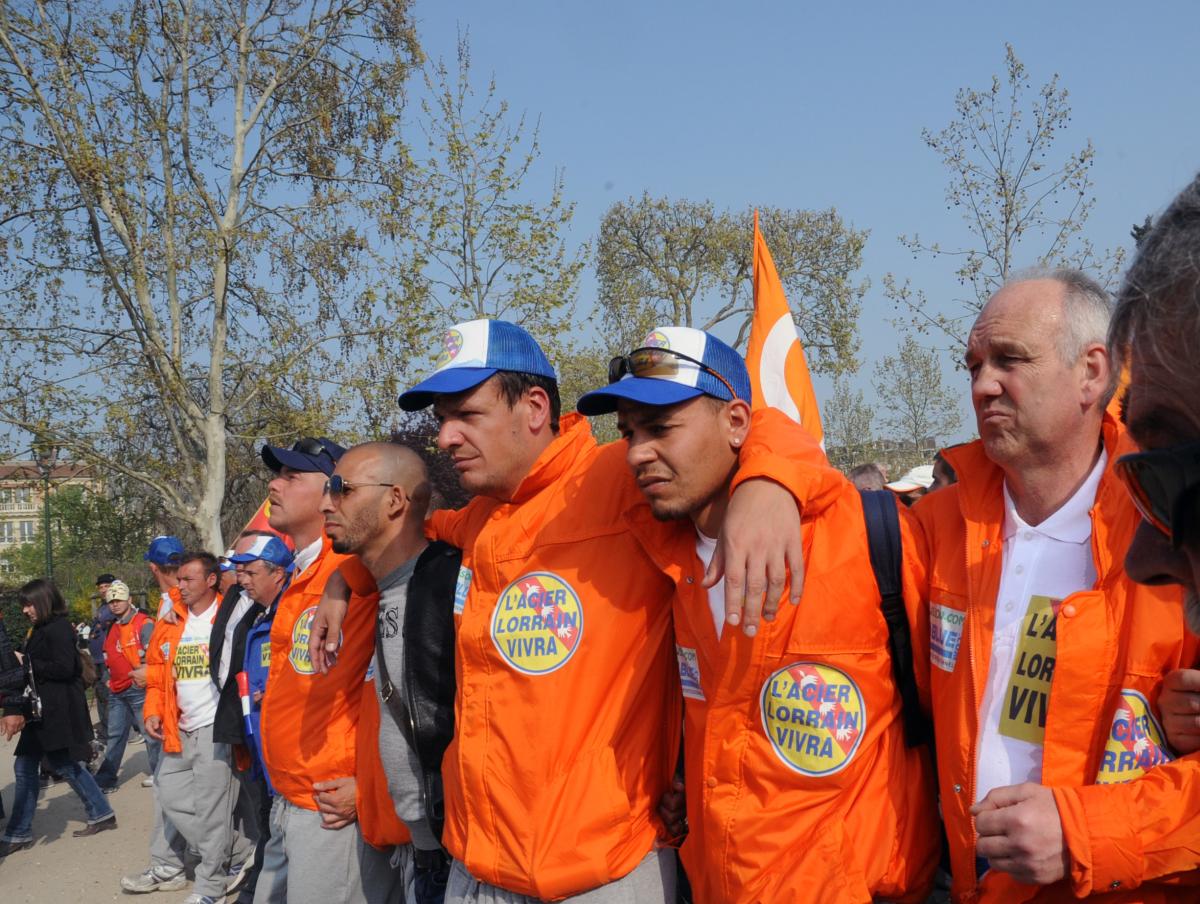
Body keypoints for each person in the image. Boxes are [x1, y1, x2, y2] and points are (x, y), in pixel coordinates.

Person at [312, 318, 810, 902]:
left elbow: (751, 429)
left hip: (599, 872)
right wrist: (342, 582)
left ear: (534, 407)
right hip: (475, 867)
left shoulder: (620, 478)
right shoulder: (478, 519)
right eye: (442, 419)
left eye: (466, 415)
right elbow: (399, 540)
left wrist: (769, 484)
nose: (445, 437)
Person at [576, 326, 939, 902]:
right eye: (628, 433)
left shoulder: (868, 537)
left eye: (661, 427)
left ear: (737, 423)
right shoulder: (659, 556)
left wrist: (773, 476)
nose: (638, 452)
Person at [909, 269, 1200, 901]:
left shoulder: (1174, 527)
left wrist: (1080, 832)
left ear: (1092, 372)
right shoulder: (932, 528)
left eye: (1009, 359)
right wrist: (772, 479)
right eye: (974, 365)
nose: (983, 385)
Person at [252, 437, 400, 904]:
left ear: (336, 490)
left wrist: (370, 787)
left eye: (292, 476)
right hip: (289, 798)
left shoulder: (363, 570)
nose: (274, 485)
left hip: (333, 807)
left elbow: (398, 689)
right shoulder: (309, 574)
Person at [320, 441, 462, 903]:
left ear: (395, 500)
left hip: (457, 853)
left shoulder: (450, 582)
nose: (327, 503)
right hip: (420, 849)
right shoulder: (385, 588)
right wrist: (340, 580)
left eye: (342, 488)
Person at [144, 552, 254, 904]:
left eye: (188, 579)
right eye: (179, 579)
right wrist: (153, 711)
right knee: (169, 793)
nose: (181, 586)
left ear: (210, 580)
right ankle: (238, 851)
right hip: (178, 727)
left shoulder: (230, 617)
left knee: (212, 812)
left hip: (215, 728)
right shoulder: (171, 620)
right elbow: (156, 674)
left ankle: (210, 888)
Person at [0, 579, 116, 855]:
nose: (25, 610)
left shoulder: (58, 628)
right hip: (44, 710)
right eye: (23, 606)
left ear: (43, 601)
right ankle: (100, 812)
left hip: (56, 710)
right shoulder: (42, 628)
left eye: (29, 604)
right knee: (44, 765)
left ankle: (19, 832)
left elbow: (65, 668)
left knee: (52, 765)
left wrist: (26, 663)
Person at [229, 533, 295, 904]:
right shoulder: (260, 615)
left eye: (251, 572)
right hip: (262, 749)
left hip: (286, 759)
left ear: (278, 574)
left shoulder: (291, 613)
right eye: (241, 572)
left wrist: (274, 693)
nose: (243, 580)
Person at [93, 580, 157, 791]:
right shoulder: (113, 626)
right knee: (115, 735)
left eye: (119, 599)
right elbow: (107, 653)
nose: (114, 604)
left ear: (129, 599)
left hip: (138, 687)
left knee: (150, 733)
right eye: (111, 601)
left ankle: (160, 774)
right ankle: (106, 779)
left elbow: (153, 655)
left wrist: (144, 677)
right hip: (117, 688)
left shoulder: (143, 623)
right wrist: (108, 678)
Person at [89, 572, 117, 733]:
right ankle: (105, 728)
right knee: (101, 693)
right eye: (101, 587)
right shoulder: (102, 607)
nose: (104, 589)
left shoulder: (115, 606)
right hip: (97, 658)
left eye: (107, 586)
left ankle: (117, 730)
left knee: (109, 694)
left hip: (108, 658)